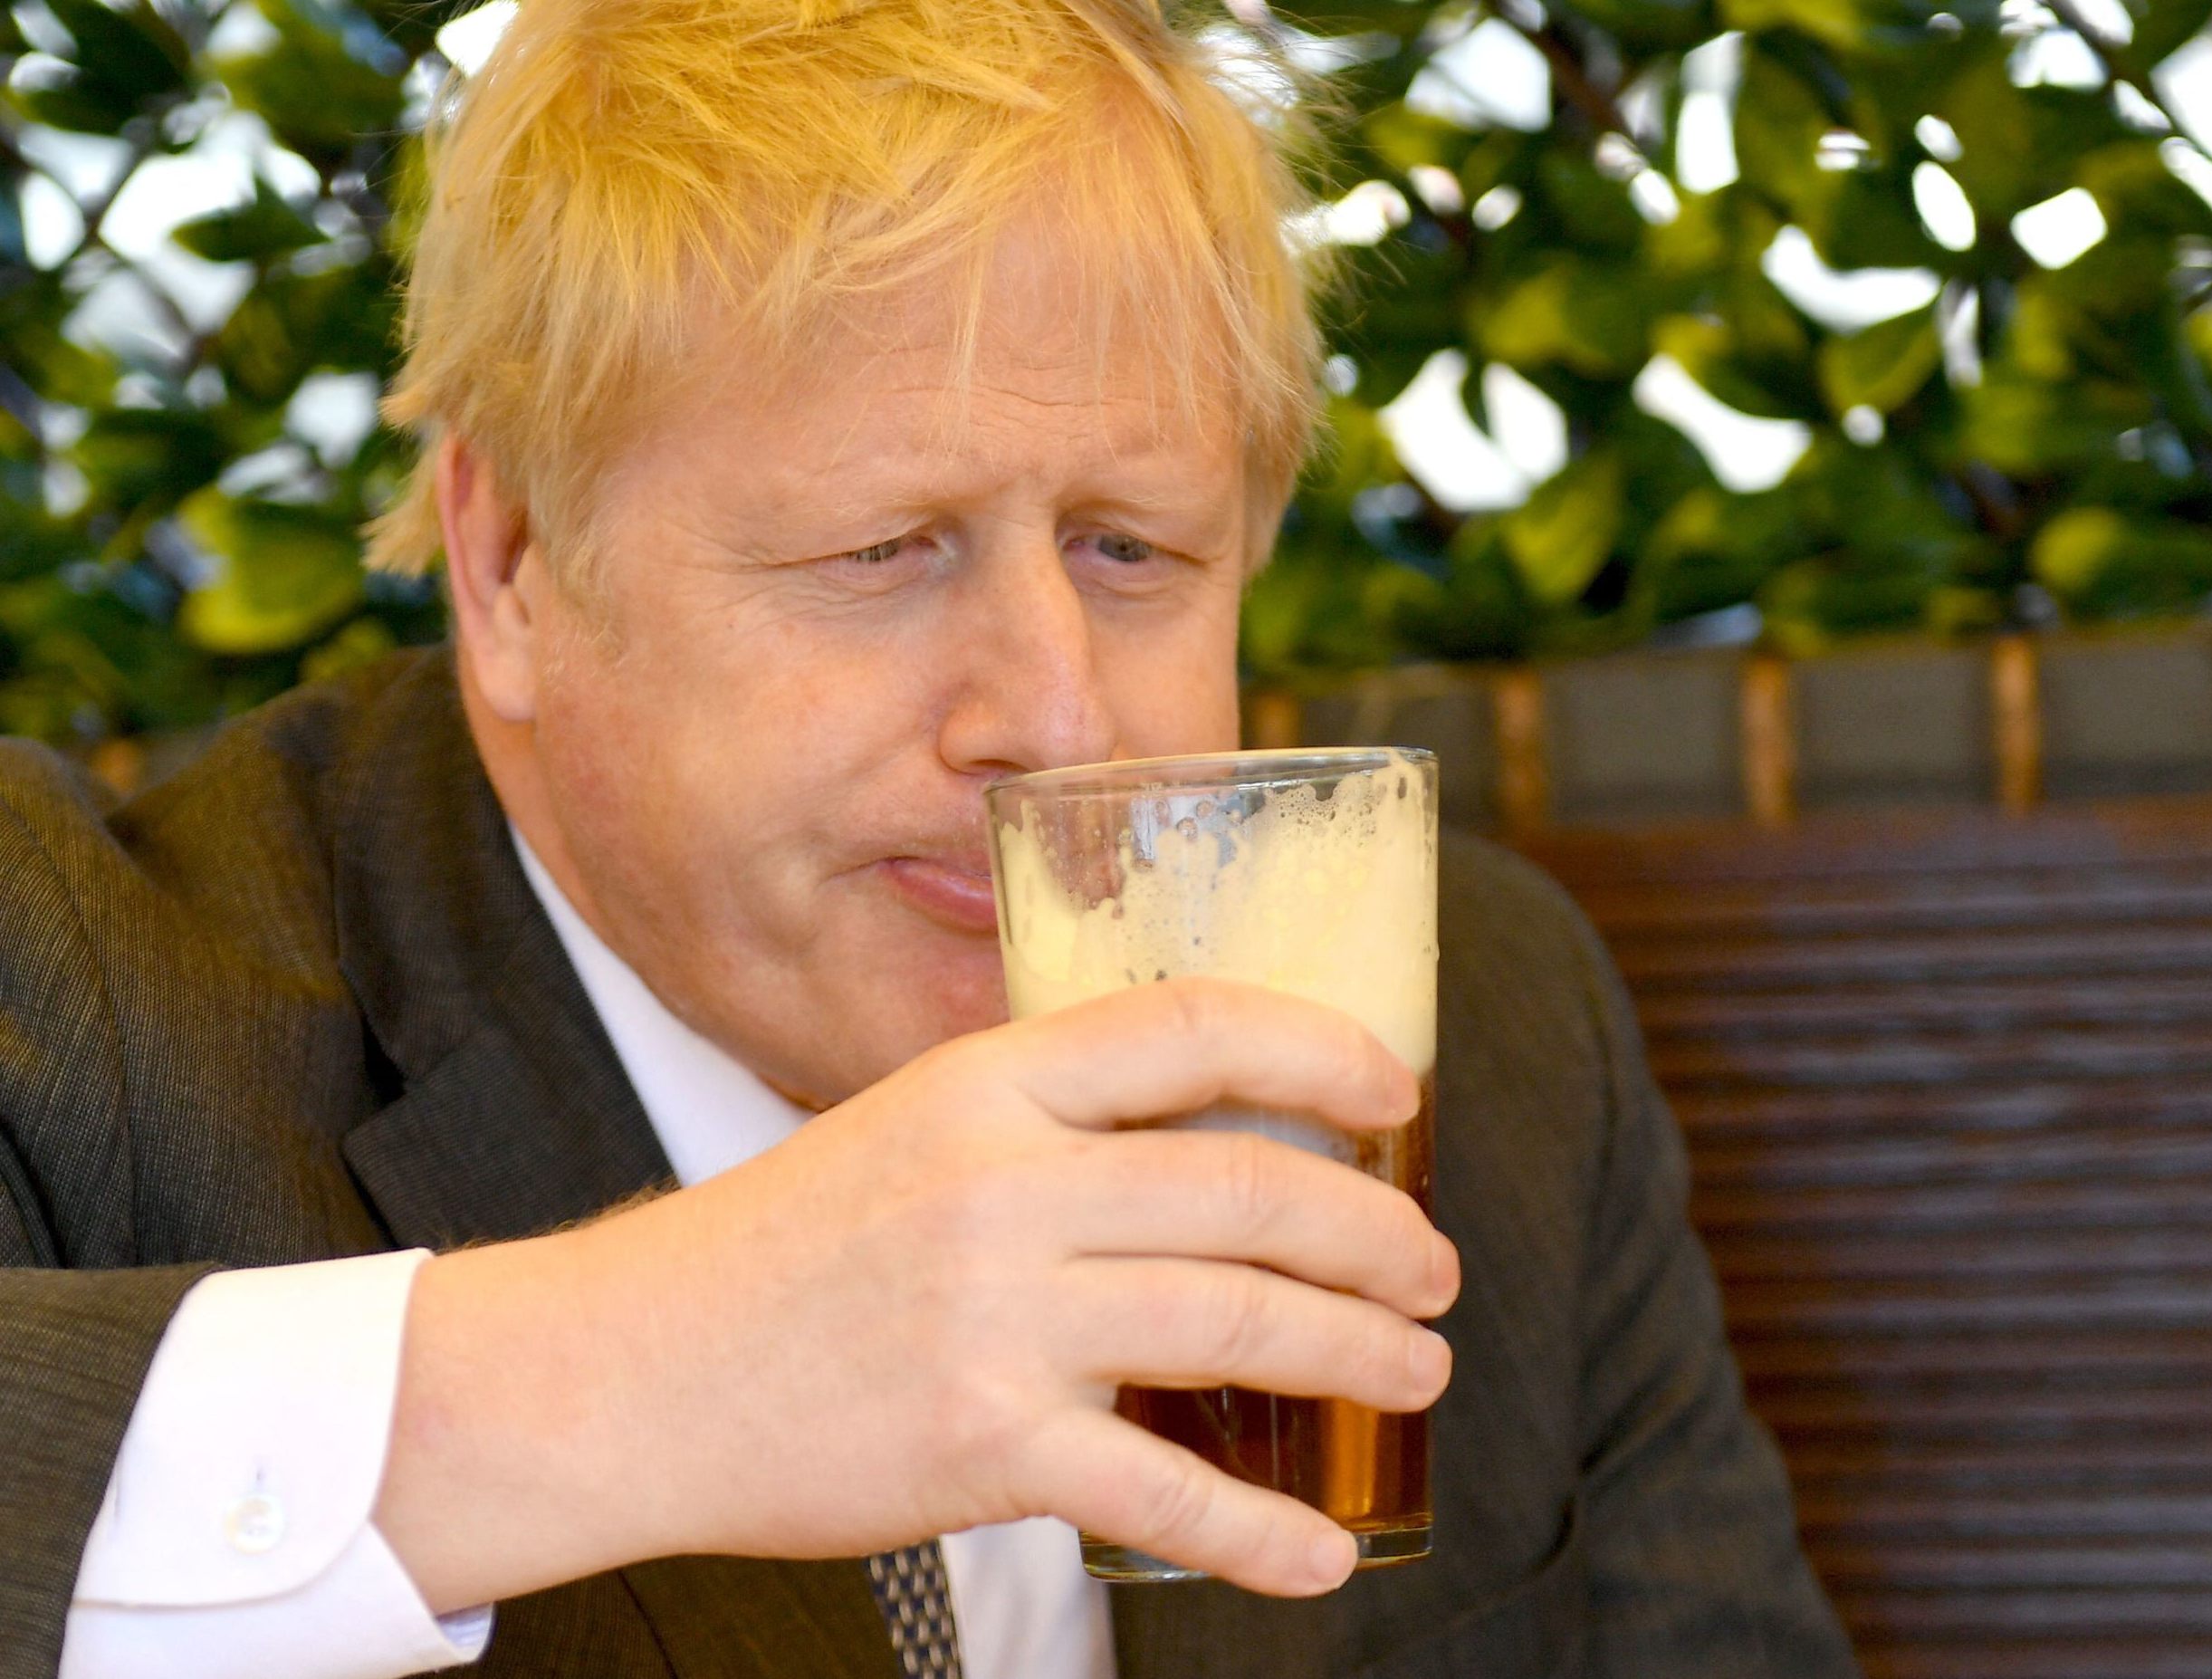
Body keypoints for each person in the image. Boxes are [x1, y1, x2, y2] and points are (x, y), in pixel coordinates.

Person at [0, 0, 1860, 1674]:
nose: (1055, 720)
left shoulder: (1475, 1027)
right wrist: (643, 1366)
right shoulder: (71, 992)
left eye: (1132, 548)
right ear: (510, 564)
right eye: (885, 550)